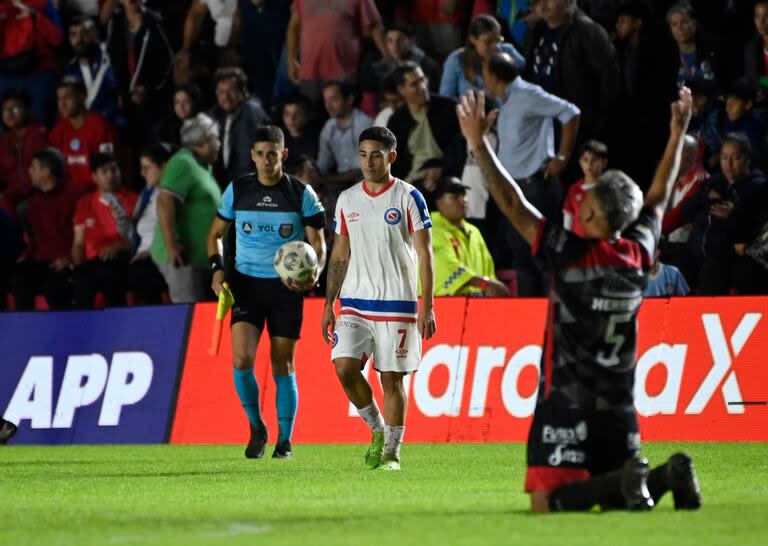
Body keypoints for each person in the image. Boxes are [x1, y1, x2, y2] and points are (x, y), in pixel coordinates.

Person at [455, 87, 702, 512]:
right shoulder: (639, 253)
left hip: (567, 402)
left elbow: (513, 203)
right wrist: (677, 137)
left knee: (548, 503)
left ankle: (630, 478)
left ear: (588, 214)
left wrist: (477, 144)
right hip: (619, 404)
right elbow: (659, 197)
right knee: (621, 501)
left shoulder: (567, 252)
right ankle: (667, 474)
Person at [207, 126, 326, 460]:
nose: (266, 160)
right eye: (260, 154)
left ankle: (284, 440)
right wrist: (217, 268)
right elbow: (215, 234)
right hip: (245, 285)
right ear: (252, 156)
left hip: (286, 289)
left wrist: (313, 273)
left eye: (273, 154)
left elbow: (319, 243)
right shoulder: (238, 190)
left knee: (282, 364)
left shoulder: (300, 193)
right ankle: (256, 426)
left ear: (283, 155)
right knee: (241, 360)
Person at [321, 126, 436, 471]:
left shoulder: (408, 197)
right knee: (343, 366)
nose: (368, 162)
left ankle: (391, 454)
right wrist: (329, 302)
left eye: (376, 155)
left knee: (391, 379)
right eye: (363, 154)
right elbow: (340, 254)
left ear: (391, 157)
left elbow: (426, 254)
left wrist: (427, 305)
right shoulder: (347, 199)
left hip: (398, 305)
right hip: (354, 302)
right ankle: (376, 429)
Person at [483, 50, 580, 295]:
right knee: (522, 261)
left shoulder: (528, 94)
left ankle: (552, 321)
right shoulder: (504, 101)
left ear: (495, 77)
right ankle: (532, 327)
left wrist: (562, 157)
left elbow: (571, 113)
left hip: (536, 188)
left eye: (485, 75)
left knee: (543, 260)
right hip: (515, 190)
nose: (483, 81)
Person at [522, 0, 620, 145]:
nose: (542, 5)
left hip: (575, 131)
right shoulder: (535, 30)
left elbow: (610, 82)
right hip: (540, 128)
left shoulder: (587, 31)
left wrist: (593, 126)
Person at [151, 113, 222, 303]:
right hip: (182, 260)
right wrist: (172, 244)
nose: (219, 144)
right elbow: (164, 201)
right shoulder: (183, 163)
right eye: (216, 139)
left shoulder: (202, 167)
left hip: (199, 262)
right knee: (187, 315)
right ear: (204, 142)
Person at [11, 148, 78, 310]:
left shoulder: (74, 198)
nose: (29, 171)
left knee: (54, 287)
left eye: (33, 167)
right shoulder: (31, 204)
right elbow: (33, 237)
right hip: (39, 261)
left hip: (66, 262)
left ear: (46, 171)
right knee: (18, 279)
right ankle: (24, 329)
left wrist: (70, 259)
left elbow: (84, 235)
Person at [285, 0, 387, 103]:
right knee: (312, 115)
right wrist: (291, 61)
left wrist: (387, 56)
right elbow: (293, 28)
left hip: (343, 73)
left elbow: (374, 26)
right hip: (309, 73)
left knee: (344, 115)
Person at [71, 152, 137, 308]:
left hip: (123, 258)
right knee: (80, 277)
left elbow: (141, 240)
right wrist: (77, 264)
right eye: (104, 172)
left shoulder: (134, 200)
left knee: (109, 274)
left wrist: (118, 247)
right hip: (94, 261)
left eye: (114, 170)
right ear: (94, 176)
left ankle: (119, 321)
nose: (110, 175)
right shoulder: (84, 203)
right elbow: (78, 243)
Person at [431, 177, 508, 297]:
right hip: (442, 304)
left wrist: (492, 286)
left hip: (476, 302)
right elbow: (445, 266)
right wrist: (486, 283)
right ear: (438, 202)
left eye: (464, 194)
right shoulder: (430, 230)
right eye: (455, 196)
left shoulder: (473, 231)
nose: (463, 200)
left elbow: (488, 268)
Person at [387, 62, 465, 181]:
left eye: (422, 80)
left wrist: (443, 170)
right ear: (402, 90)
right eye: (414, 84)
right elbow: (395, 164)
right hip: (413, 180)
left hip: (446, 176)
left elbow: (459, 149)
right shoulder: (397, 122)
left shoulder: (448, 109)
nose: (422, 87)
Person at [48, 77, 117, 196]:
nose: (62, 104)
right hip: (66, 195)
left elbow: (108, 167)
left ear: (82, 97)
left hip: (96, 194)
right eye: (59, 99)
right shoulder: (58, 130)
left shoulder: (100, 126)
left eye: (67, 98)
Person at [125, 143, 173, 304]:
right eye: (141, 168)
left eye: (148, 168)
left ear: (164, 166)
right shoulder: (147, 194)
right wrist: (121, 221)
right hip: (140, 255)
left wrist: (152, 251)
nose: (142, 173)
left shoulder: (173, 194)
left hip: (160, 256)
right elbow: (134, 233)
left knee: (139, 274)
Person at [439, 14, 525, 100]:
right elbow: (446, 98)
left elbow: (524, 81)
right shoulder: (456, 60)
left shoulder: (507, 52)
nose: (495, 46)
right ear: (473, 39)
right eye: (489, 41)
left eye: (498, 40)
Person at [210, 67, 270, 185]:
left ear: (243, 91)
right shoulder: (218, 114)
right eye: (221, 92)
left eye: (230, 91)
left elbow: (253, 158)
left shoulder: (251, 111)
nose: (225, 97)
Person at [63, 15, 121, 125]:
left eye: (84, 33)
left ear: (93, 35)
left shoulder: (108, 60)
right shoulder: (70, 69)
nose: (79, 39)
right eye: (73, 35)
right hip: (85, 128)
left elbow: (118, 96)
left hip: (110, 123)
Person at [317, 80, 372, 191]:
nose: (328, 106)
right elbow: (322, 165)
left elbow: (360, 170)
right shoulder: (329, 127)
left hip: (364, 181)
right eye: (326, 101)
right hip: (340, 183)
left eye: (334, 99)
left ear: (349, 100)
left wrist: (321, 179)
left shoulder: (364, 124)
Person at [0, 90, 48, 213]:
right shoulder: (4, 140)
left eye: (15, 109)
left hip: (36, 194)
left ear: (27, 111)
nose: (9, 114)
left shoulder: (39, 134)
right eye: (5, 110)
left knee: (23, 209)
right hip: (11, 196)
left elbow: (44, 173)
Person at [562, 140, 608, 237]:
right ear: (580, 162)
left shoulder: (609, 188)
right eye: (585, 160)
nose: (589, 164)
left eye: (594, 160)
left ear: (604, 162)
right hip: (578, 244)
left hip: (599, 244)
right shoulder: (574, 189)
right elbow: (568, 217)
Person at [666, 3, 717, 88]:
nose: (680, 28)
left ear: (694, 23)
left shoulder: (712, 51)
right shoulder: (667, 59)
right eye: (675, 24)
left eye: (684, 22)